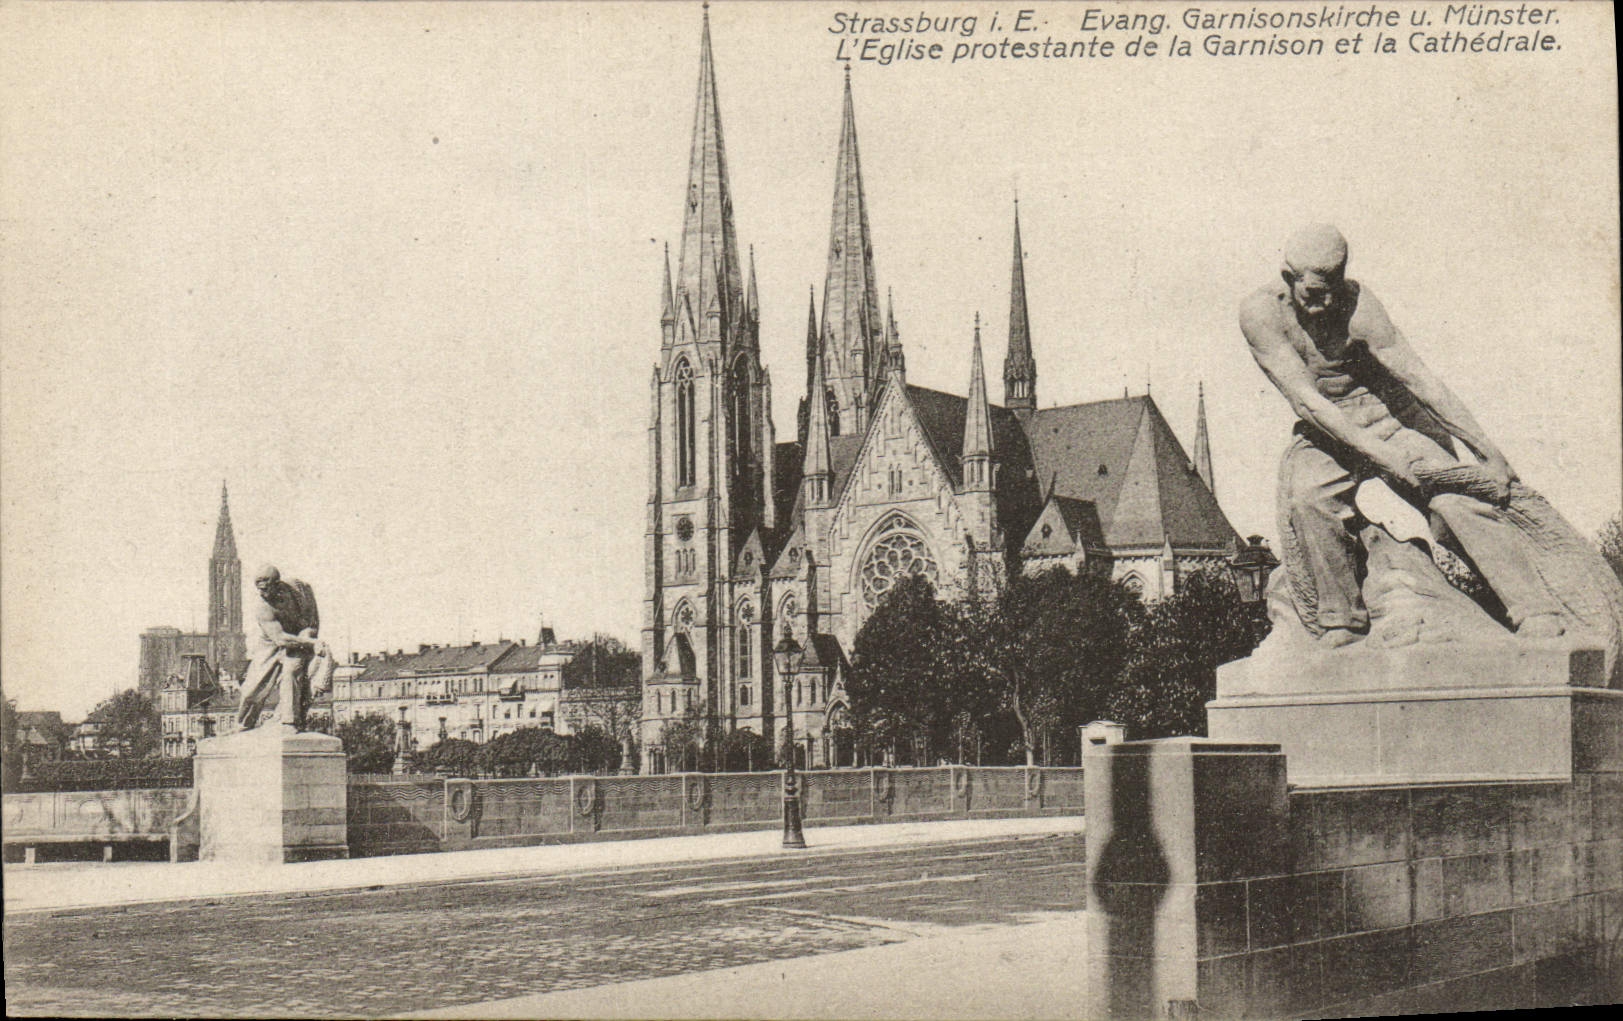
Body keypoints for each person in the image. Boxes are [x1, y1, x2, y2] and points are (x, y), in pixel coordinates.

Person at [1239, 224, 1570, 647]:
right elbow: (1308, 402)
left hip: (1388, 415)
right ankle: (1342, 620)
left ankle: (1533, 609)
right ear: (1289, 278)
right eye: (1312, 293)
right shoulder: (1261, 313)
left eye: (1331, 290)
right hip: (1326, 428)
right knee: (1308, 498)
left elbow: (1418, 378)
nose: (1323, 304)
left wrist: (1488, 452)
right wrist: (1380, 456)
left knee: (1454, 501)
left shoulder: (1358, 305)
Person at [238, 564, 331, 731]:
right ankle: (243, 724)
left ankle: (289, 721)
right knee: (251, 691)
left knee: (292, 671)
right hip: (272, 644)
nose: (262, 594)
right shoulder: (263, 608)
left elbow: (311, 617)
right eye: (259, 590)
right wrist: (311, 643)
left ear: (277, 583)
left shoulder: (297, 589)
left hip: (299, 640)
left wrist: (309, 634)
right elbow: (280, 639)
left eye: (266, 589)